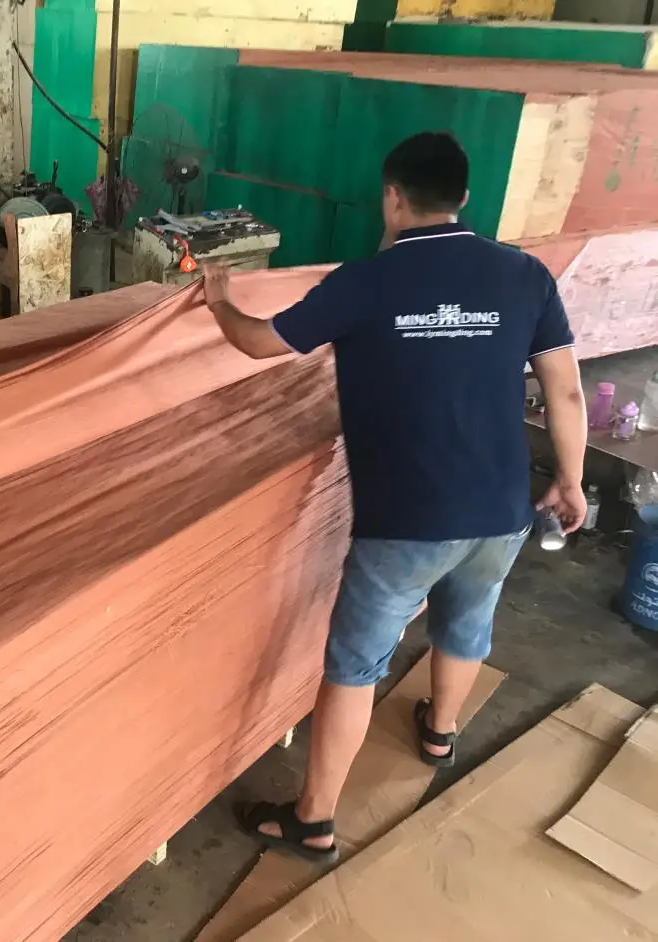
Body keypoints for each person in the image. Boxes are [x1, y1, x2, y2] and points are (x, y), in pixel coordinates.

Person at [201, 131, 587, 864]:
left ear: (391, 196)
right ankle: (439, 733)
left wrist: (219, 300)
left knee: (355, 666)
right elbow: (564, 390)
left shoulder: (365, 282)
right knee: (466, 623)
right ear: (463, 197)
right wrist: (568, 479)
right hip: (503, 508)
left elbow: (257, 343)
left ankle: (313, 821)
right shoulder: (523, 274)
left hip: (405, 522)